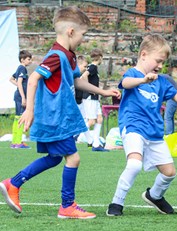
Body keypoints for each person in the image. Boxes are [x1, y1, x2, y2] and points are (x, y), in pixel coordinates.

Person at [0, 6, 121, 219]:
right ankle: (67, 206)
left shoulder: (69, 56)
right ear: (71, 32)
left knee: (55, 157)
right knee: (73, 158)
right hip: (55, 118)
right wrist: (29, 110)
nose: (84, 39)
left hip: (60, 117)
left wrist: (102, 91)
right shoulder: (56, 55)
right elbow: (35, 77)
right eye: (83, 34)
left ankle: (13, 183)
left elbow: (75, 80)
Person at [106, 34, 177, 217]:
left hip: (154, 133)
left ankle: (155, 196)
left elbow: (175, 95)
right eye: (158, 61)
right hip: (133, 127)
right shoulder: (133, 75)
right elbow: (125, 84)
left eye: (162, 63)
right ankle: (116, 203)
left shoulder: (161, 81)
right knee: (134, 165)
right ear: (143, 55)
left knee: (169, 173)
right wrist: (143, 80)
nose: (160, 66)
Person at [81, 48, 108, 151]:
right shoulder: (92, 67)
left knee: (99, 119)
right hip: (90, 97)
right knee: (91, 121)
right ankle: (79, 135)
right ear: (100, 57)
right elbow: (84, 76)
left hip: (95, 98)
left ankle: (96, 144)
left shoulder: (93, 68)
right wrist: (89, 88)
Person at [9, 50, 33, 149]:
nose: (30, 61)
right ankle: (18, 142)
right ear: (22, 60)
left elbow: (11, 79)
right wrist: (23, 96)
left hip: (18, 95)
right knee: (20, 118)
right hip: (20, 97)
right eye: (28, 59)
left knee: (17, 118)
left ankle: (15, 141)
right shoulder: (22, 68)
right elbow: (19, 82)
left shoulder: (20, 68)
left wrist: (20, 87)